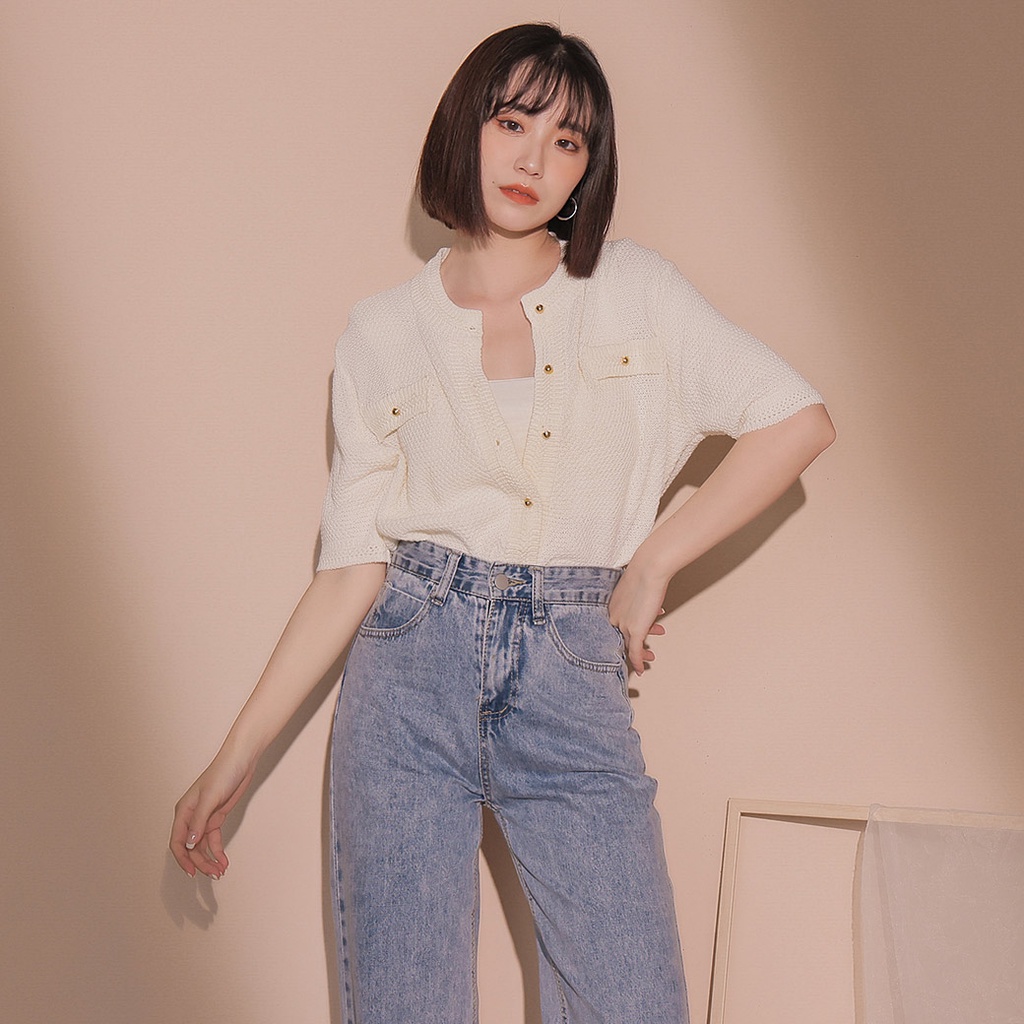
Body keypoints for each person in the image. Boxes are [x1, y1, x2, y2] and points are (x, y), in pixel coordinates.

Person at [170, 22, 835, 1024]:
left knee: (631, 1003)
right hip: (407, 670)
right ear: (465, 127)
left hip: (571, 667)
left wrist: (651, 564)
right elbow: (349, 570)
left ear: (585, 169)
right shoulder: (381, 333)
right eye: (512, 122)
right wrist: (235, 757)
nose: (533, 159)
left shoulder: (634, 291)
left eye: (567, 141)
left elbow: (796, 421)